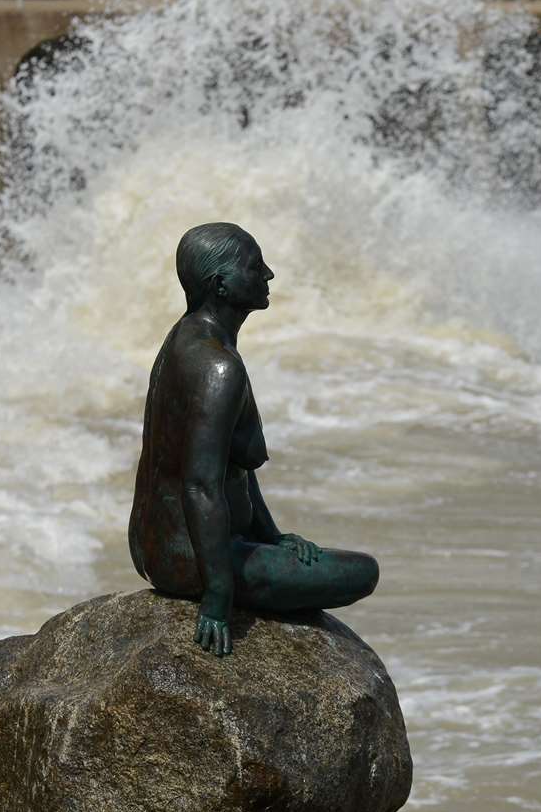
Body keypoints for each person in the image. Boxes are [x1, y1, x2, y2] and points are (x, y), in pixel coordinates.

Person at [129, 223, 379, 656]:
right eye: (254, 265)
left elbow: (232, 465)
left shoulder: (182, 337)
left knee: (311, 561)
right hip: (194, 562)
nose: (268, 274)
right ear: (220, 285)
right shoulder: (218, 368)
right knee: (362, 572)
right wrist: (217, 599)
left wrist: (273, 536)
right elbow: (201, 485)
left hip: (153, 551)